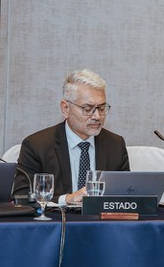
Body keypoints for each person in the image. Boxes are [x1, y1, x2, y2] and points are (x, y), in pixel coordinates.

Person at [14, 69, 130, 205]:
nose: (97, 116)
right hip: (58, 223)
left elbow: (126, 194)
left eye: (102, 108)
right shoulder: (37, 145)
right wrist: (66, 199)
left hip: (101, 224)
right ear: (65, 108)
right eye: (88, 109)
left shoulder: (115, 144)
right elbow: (21, 197)